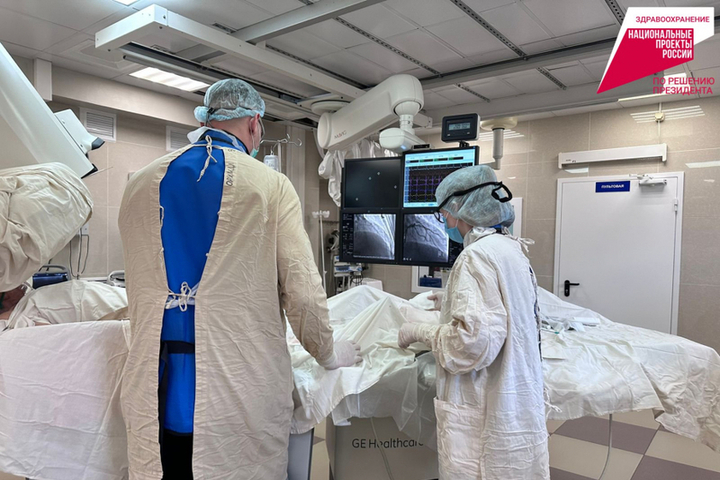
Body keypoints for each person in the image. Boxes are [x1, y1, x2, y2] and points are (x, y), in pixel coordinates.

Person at [118, 79, 360, 480]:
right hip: (235, 394)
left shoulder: (139, 183)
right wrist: (330, 354)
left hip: (153, 389)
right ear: (253, 123)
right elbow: (302, 292)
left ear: (206, 119)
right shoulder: (269, 185)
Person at [397, 165, 550, 480]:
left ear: (459, 208)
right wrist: (450, 301)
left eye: (443, 214)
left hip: (484, 409)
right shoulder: (510, 249)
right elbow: (506, 310)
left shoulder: (475, 257)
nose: (445, 221)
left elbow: (468, 346)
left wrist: (419, 331)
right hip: (516, 403)